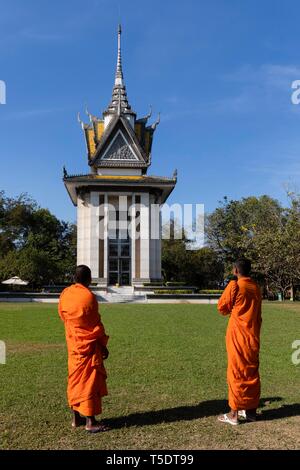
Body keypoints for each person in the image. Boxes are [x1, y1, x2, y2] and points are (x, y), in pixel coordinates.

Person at [58, 265, 109, 433]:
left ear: (74, 278)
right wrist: (102, 344)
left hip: (74, 344)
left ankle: (76, 419)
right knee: (89, 382)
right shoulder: (88, 297)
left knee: (75, 380)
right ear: (88, 279)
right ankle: (90, 422)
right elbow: (95, 324)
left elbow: (63, 316)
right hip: (88, 346)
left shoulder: (65, 294)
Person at [217, 258, 262, 425]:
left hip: (238, 336)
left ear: (235, 270)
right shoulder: (256, 288)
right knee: (251, 372)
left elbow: (222, 308)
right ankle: (251, 412)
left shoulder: (235, 285)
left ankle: (234, 414)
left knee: (236, 372)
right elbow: (258, 315)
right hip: (253, 336)